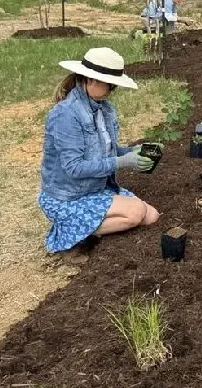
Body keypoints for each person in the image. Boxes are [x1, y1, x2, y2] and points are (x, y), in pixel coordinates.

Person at [38, 47, 161, 255]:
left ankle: (86, 228)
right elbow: (74, 168)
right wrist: (123, 162)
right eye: (110, 85)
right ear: (91, 80)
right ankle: (72, 233)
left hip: (96, 189)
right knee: (135, 213)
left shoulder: (103, 109)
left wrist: (133, 151)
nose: (111, 90)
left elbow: (105, 151)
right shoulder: (66, 115)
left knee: (151, 216)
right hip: (68, 198)